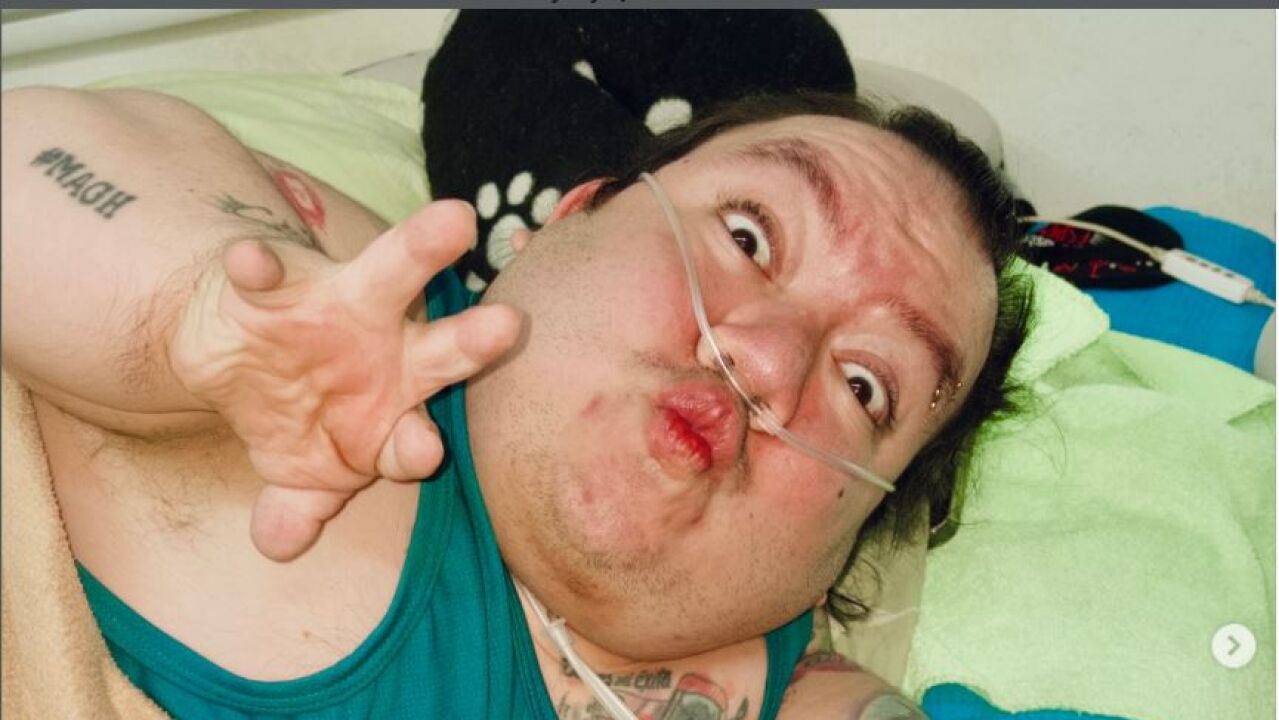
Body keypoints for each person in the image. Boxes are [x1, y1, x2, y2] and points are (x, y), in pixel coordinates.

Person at [0, 83, 1029, 719]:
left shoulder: (802, 689)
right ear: (571, 215)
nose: (765, 357)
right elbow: (42, 164)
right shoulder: (352, 309)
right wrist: (197, 310)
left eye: (865, 385)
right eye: (747, 236)